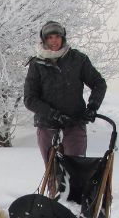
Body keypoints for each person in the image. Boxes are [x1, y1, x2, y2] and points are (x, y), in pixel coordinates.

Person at [24, 21, 107, 166]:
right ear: (44, 40)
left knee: (75, 169)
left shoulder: (78, 59)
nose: (54, 40)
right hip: (47, 125)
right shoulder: (36, 64)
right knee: (52, 172)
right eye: (50, 37)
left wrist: (93, 106)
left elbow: (99, 83)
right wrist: (52, 114)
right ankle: (54, 189)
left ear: (63, 38)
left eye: (57, 36)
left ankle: (75, 189)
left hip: (74, 123)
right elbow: (30, 98)